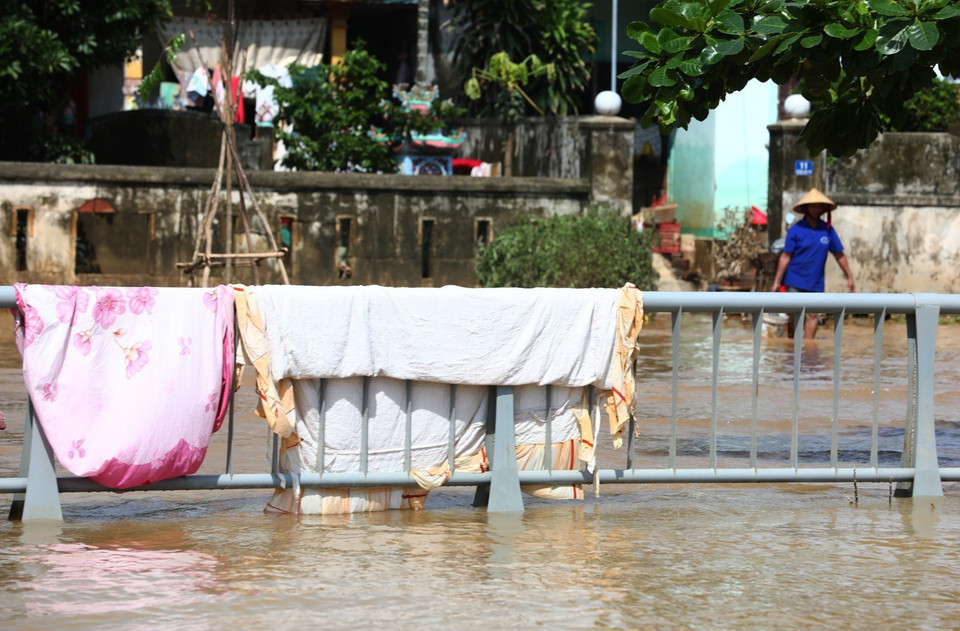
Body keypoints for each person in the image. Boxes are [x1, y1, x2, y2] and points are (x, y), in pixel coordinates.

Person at [772, 188, 855, 339]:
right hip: (795, 279)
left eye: (819, 206)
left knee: (812, 315)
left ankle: (809, 350)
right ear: (806, 208)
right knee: (795, 313)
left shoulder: (828, 231)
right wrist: (777, 281)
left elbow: (839, 254)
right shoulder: (796, 230)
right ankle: (792, 345)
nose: (816, 209)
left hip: (815, 282)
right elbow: (785, 256)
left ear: (824, 209)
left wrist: (849, 276)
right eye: (813, 206)